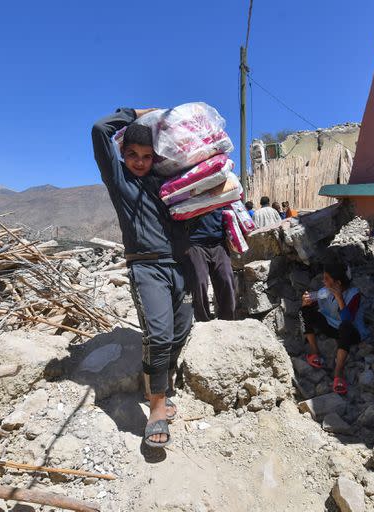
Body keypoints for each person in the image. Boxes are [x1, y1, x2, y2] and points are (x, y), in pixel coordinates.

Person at [91, 107, 192, 448]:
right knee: (159, 334)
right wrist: (134, 113)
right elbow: (99, 129)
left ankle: (154, 383)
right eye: (132, 155)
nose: (139, 162)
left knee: (180, 330)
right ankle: (157, 408)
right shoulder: (119, 181)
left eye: (147, 156)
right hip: (145, 266)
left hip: (176, 267)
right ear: (122, 154)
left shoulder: (164, 182)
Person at [300, 264, 367, 395]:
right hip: (330, 326)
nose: (323, 281)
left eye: (326, 278)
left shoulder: (354, 295)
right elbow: (312, 305)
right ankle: (315, 352)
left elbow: (348, 319)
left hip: (350, 333)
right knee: (303, 312)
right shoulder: (324, 291)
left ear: (338, 283)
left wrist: (339, 298)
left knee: (345, 326)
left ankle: (338, 372)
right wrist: (305, 302)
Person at [182, 208, 236, 322]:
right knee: (199, 282)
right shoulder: (189, 193)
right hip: (195, 243)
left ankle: (227, 320)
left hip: (219, 243)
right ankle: (203, 320)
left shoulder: (221, 192)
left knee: (227, 279)